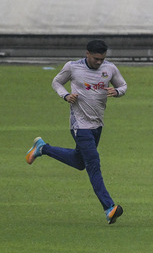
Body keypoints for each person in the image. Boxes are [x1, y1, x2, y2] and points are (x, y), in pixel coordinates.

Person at [25, 40, 127, 224]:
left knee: (80, 162)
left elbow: (123, 86)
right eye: (96, 58)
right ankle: (109, 208)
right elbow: (56, 82)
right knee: (93, 164)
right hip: (79, 126)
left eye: (102, 59)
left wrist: (117, 92)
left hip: (97, 125)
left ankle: (42, 148)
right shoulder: (72, 67)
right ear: (87, 53)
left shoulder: (109, 69)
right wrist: (65, 95)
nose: (98, 62)